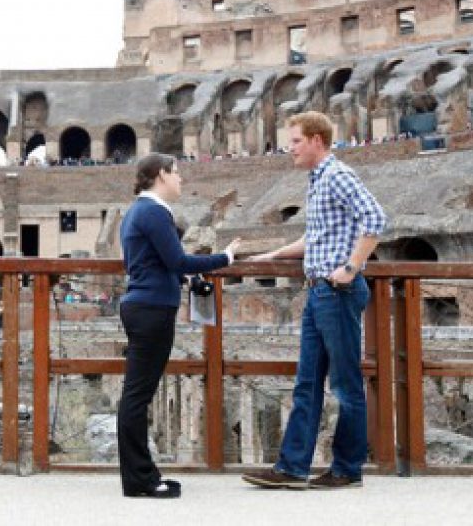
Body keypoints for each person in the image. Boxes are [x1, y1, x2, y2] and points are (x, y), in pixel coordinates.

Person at [241, 111, 386, 490]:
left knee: (345, 384)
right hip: (319, 291)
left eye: (296, 142)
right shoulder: (318, 179)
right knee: (307, 382)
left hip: (336, 292)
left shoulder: (338, 175)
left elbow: (375, 218)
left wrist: (352, 268)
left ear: (317, 141)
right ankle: (293, 467)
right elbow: (316, 238)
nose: (290, 149)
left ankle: (346, 469)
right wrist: (271, 256)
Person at [117, 153, 239, 499]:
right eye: (177, 173)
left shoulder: (135, 212)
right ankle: (141, 479)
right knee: (137, 396)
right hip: (152, 308)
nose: (181, 179)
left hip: (142, 305)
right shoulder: (154, 212)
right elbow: (177, 260)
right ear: (160, 176)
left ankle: (138, 476)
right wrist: (225, 258)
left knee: (136, 393)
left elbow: (155, 262)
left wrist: (184, 274)